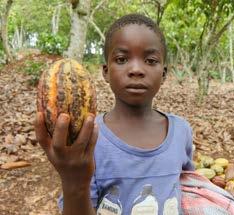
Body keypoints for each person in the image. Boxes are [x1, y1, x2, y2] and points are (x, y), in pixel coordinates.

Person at [34, 13, 194, 215]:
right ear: (106, 71)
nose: (136, 69)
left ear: (163, 74)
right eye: (122, 59)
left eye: (150, 60)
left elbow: (188, 186)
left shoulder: (182, 131)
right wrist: (74, 182)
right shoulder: (89, 138)